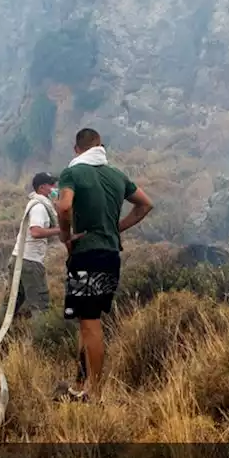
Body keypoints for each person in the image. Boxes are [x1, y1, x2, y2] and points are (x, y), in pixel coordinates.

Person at [55, 128, 153, 403]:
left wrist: (65, 236)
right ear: (101, 146)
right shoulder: (117, 175)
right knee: (87, 320)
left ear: (77, 150)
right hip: (111, 255)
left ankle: (94, 393)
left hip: (86, 254)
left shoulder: (72, 173)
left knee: (90, 322)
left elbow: (64, 207)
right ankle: (79, 381)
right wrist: (115, 228)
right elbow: (145, 204)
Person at [0, 172, 69, 342]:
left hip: (19, 259)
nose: (54, 188)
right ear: (41, 187)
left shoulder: (39, 204)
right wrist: (61, 231)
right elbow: (36, 231)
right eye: (50, 185)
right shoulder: (40, 207)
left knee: (11, 302)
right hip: (30, 262)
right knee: (40, 305)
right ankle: (42, 342)